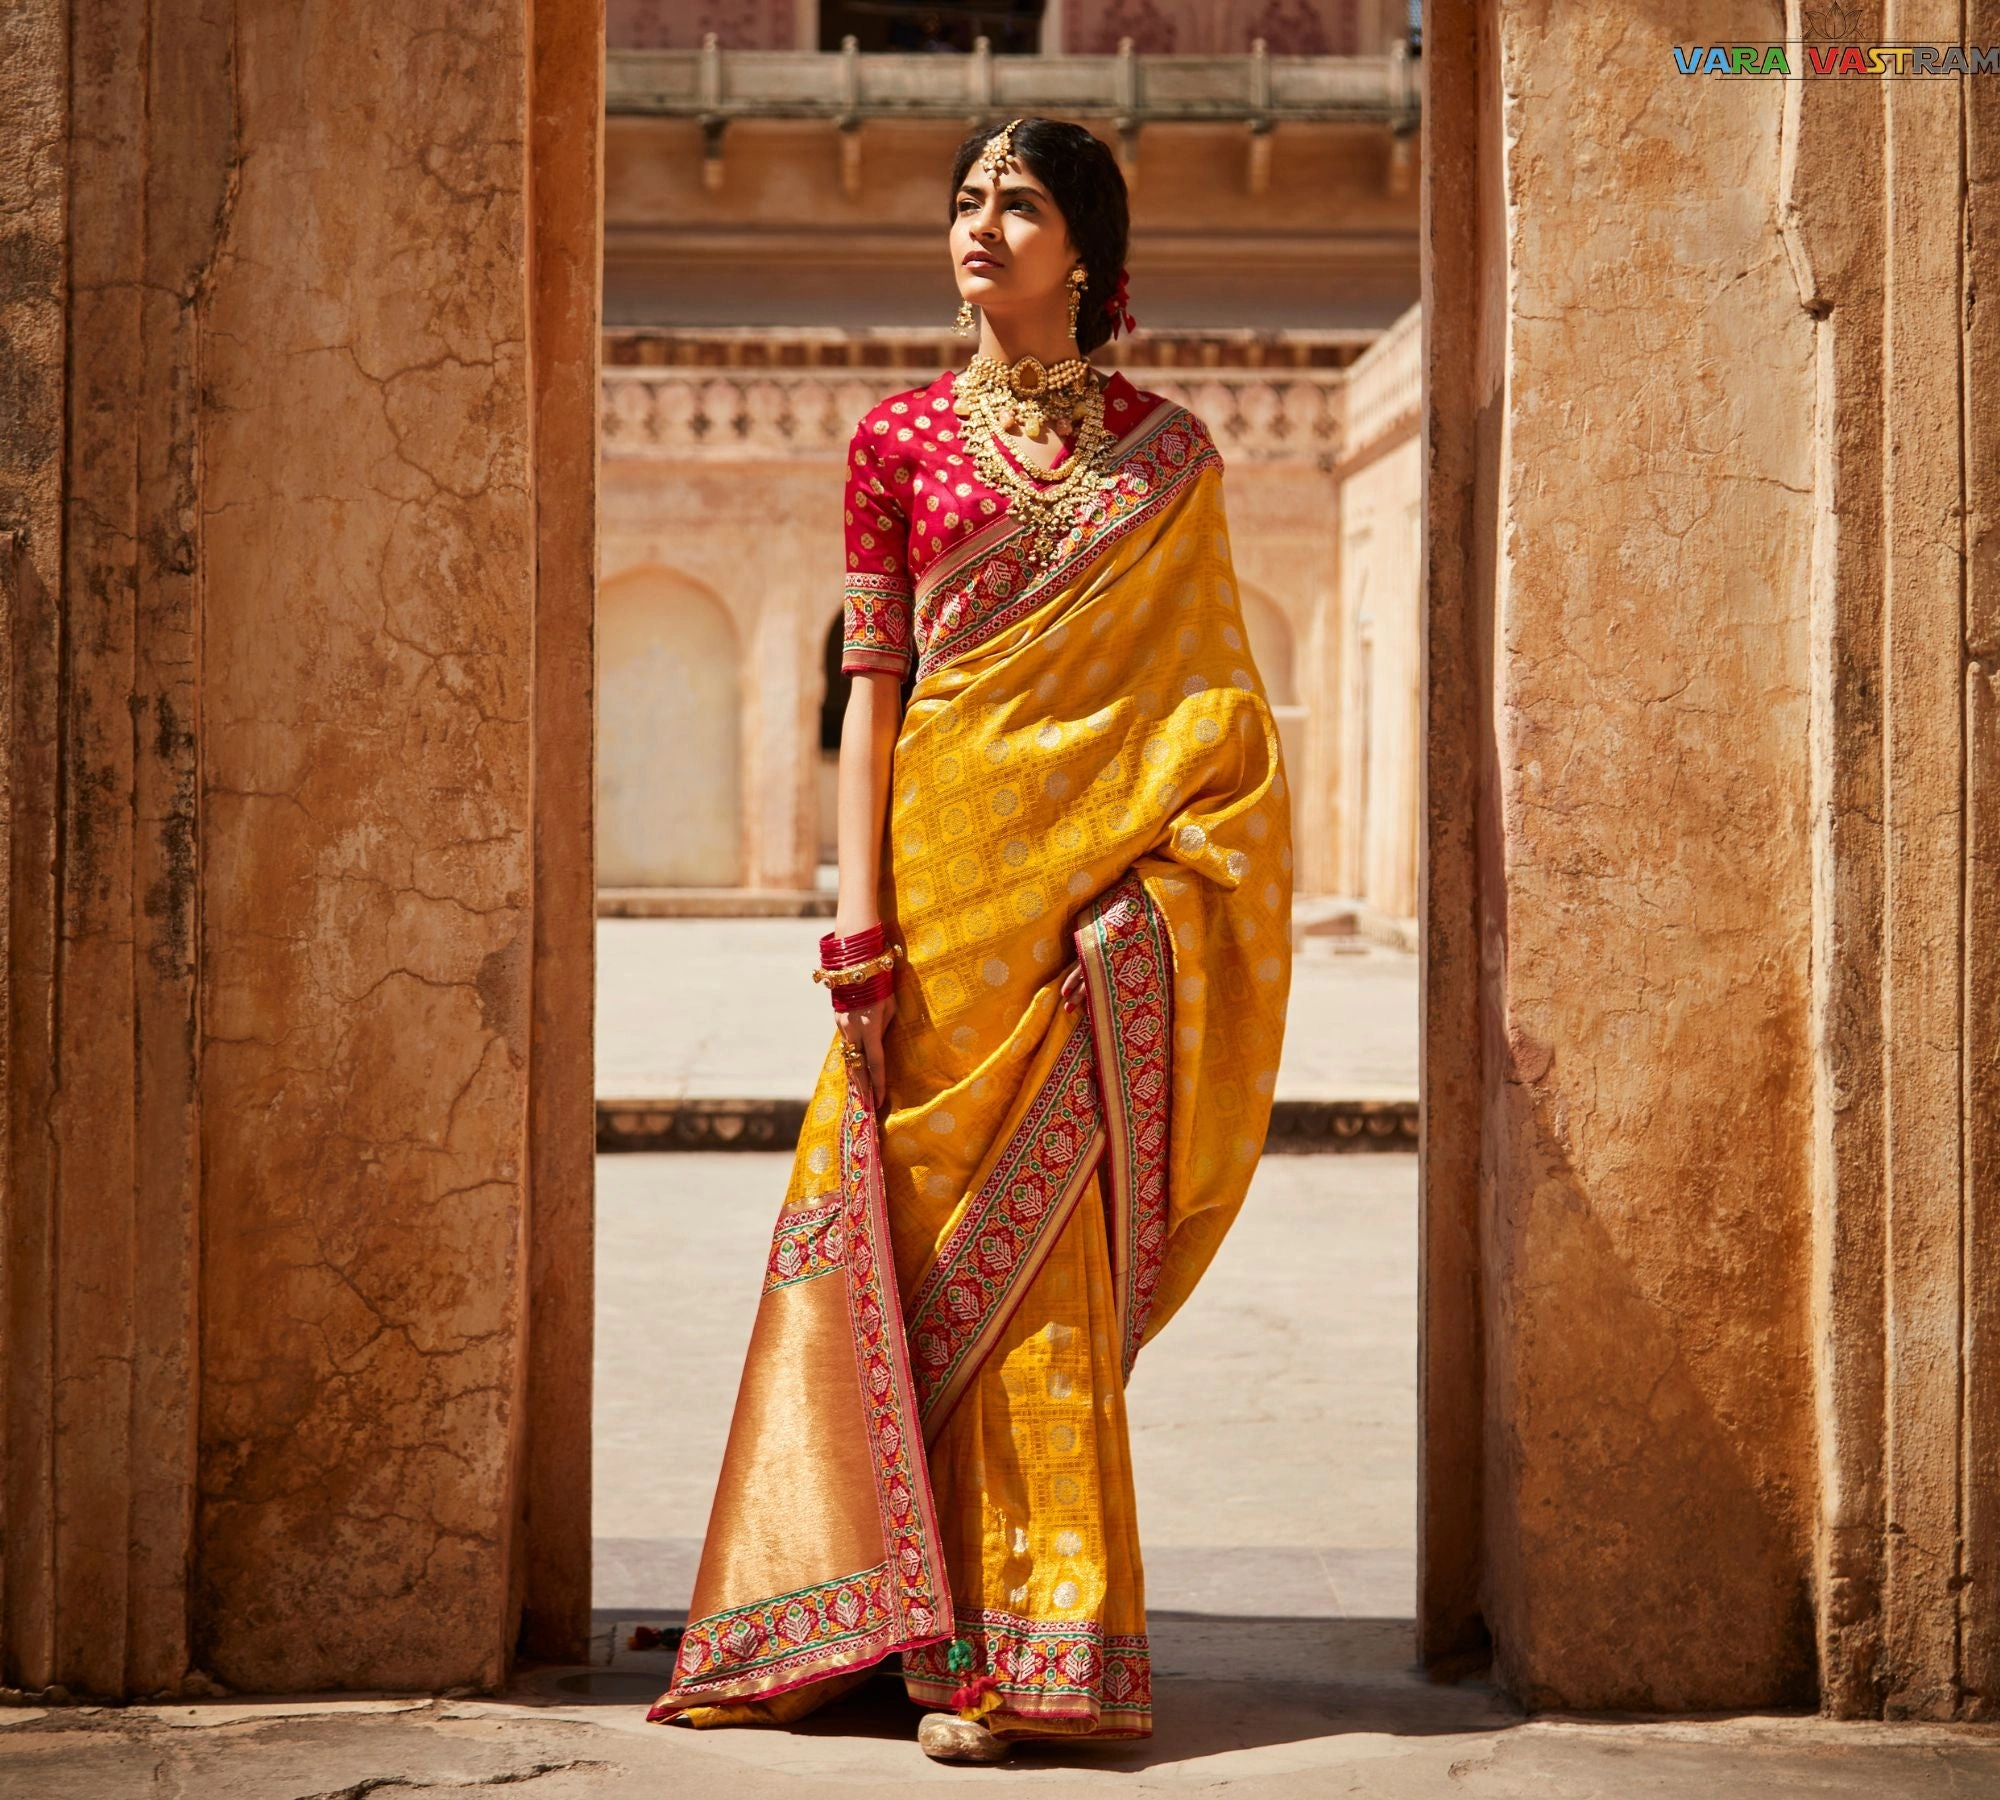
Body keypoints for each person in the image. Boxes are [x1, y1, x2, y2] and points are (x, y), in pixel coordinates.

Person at [646, 115, 1292, 1764]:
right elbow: (877, 694)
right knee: (889, 1247)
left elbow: (1214, 711)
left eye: (1019, 202)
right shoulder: (897, 440)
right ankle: (877, 1616)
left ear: (1090, 246)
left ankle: (1030, 1659)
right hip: (936, 914)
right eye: (965, 201)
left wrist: (1150, 902)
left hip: (1091, 927)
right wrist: (858, 914)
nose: (981, 226)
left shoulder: (1170, 458)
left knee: (1043, 1285)